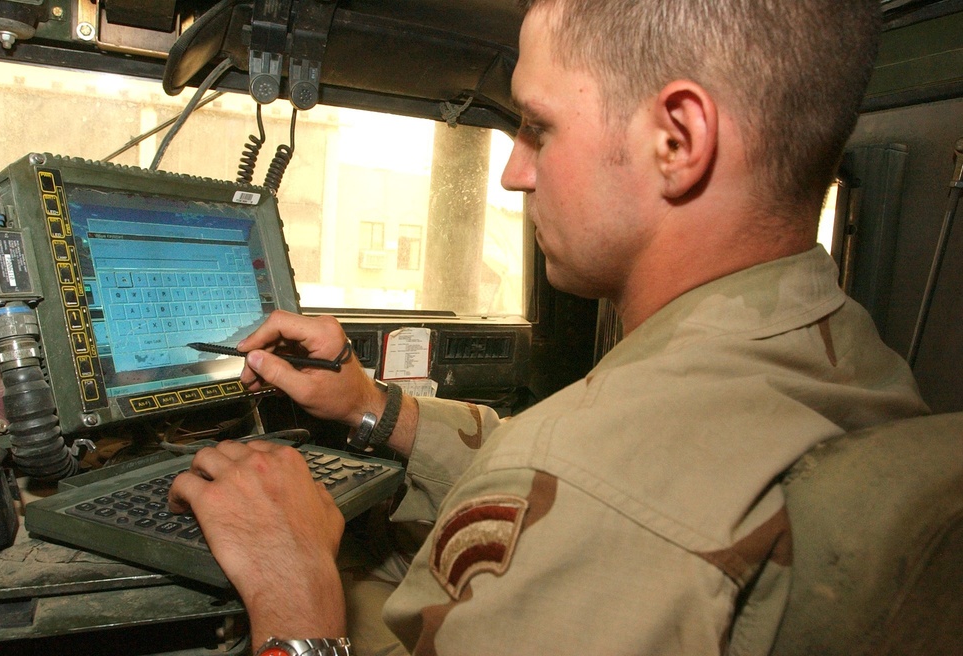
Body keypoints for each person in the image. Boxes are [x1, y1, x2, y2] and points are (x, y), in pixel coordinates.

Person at [169, 0, 930, 654]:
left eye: (539, 126)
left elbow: (586, 484)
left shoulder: (592, 475)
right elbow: (594, 476)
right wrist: (378, 410)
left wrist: (296, 602)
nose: (513, 171)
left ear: (679, 140)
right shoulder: (848, 354)